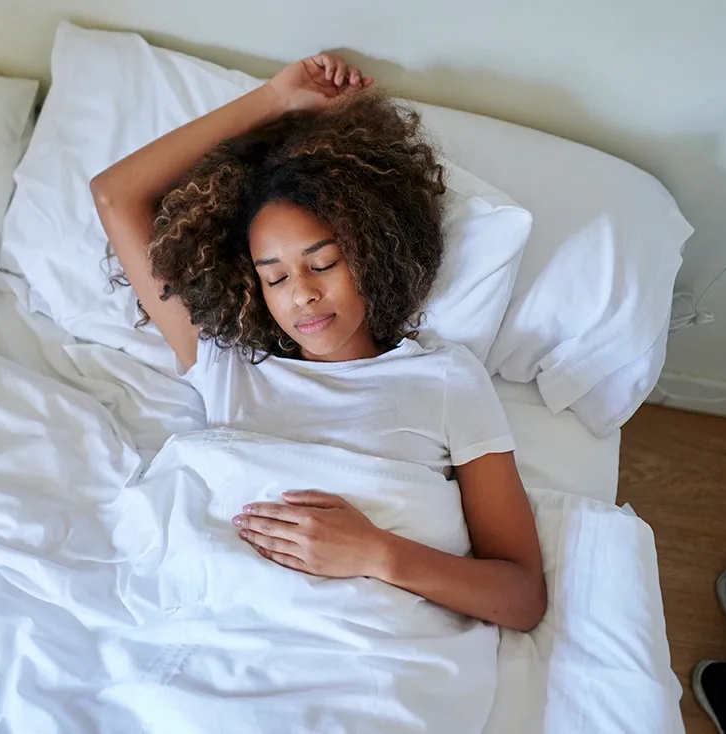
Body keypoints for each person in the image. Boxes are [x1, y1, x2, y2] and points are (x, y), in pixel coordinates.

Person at [91, 54, 547, 631]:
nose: (301, 294)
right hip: (215, 626)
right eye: (275, 276)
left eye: (323, 263)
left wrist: (375, 552)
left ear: (373, 252)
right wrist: (274, 99)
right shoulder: (228, 363)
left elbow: (522, 596)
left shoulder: (447, 380)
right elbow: (115, 195)